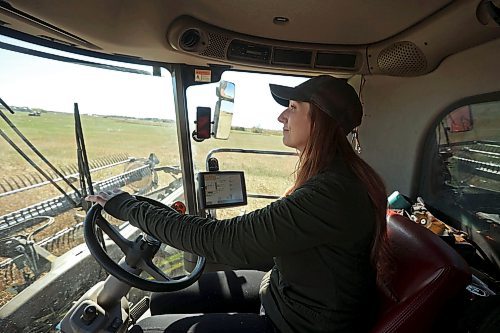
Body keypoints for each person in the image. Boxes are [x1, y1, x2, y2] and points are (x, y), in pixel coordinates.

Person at [86, 75, 390, 333]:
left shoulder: (332, 192)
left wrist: (128, 207)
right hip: (284, 292)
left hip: (303, 324)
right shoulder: (334, 177)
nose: (281, 117)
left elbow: (219, 240)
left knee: (147, 328)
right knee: (162, 300)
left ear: (321, 120)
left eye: (293, 108)